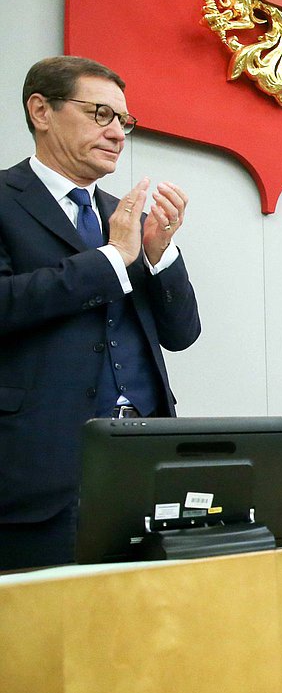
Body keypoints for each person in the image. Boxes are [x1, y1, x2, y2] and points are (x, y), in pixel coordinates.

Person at [0, 56, 201, 570]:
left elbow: (182, 334)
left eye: (123, 121)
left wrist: (159, 254)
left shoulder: (126, 215)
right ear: (41, 111)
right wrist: (112, 258)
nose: (117, 134)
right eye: (100, 114)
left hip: (145, 468)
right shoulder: (5, 199)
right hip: (36, 473)